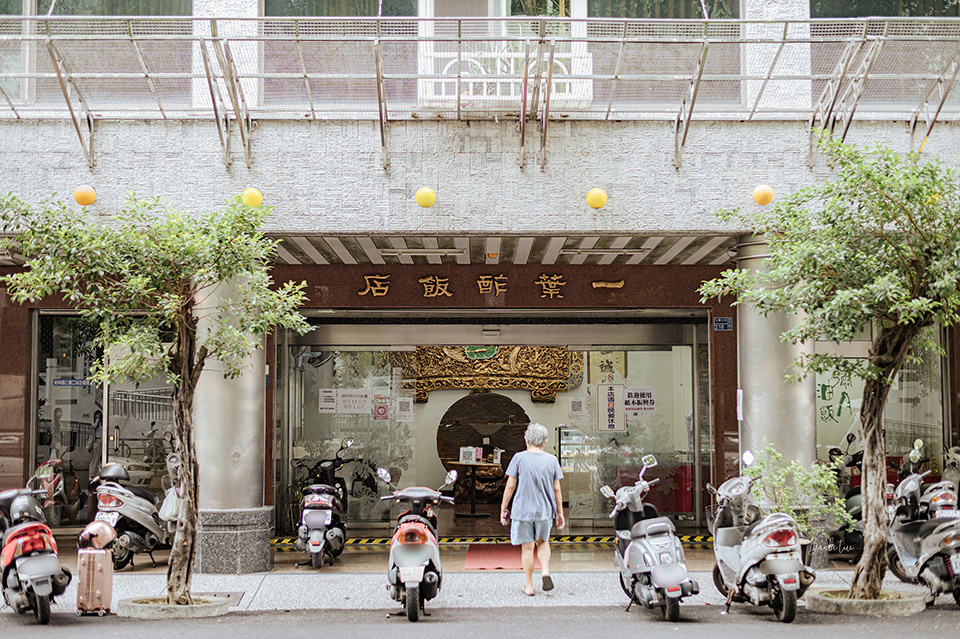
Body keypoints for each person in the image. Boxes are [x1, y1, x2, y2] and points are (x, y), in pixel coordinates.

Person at [499, 422, 565, 597]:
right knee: (543, 542)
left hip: (523, 511)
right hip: (544, 510)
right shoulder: (552, 460)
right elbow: (557, 489)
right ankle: (545, 570)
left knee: (527, 548)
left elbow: (510, 486)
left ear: (526, 439)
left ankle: (529, 586)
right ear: (545, 441)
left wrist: (504, 507)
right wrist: (560, 513)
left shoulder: (519, 458)